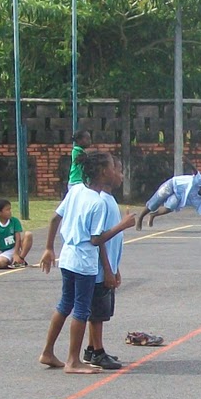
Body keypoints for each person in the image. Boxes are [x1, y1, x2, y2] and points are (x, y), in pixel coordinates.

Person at [40, 150, 138, 373]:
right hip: (84, 261)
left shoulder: (76, 191)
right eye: (113, 168)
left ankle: (48, 351)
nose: (115, 171)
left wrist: (48, 247)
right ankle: (73, 361)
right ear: (103, 172)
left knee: (65, 304)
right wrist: (122, 225)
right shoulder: (98, 202)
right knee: (82, 310)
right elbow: (96, 239)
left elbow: (56, 217)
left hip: (67, 257)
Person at [85, 154, 129, 370]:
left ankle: (92, 348)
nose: (120, 175)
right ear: (106, 173)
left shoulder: (110, 199)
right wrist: (108, 269)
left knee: (100, 311)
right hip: (101, 269)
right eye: (118, 170)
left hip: (109, 267)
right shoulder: (102, 200)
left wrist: (116, 267)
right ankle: (97, 352)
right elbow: (100, 238)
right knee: (97, 313)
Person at [136, 171, 201, 231]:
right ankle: (140, 218)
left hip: (178, 196)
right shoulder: (199, 181)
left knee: (170, 207)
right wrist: (187, 160)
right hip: (172, 184)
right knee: (155, 202)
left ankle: (153, 215)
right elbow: (195, 170)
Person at [0, 197, 32, 268]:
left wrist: (16, 253)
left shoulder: (14, 221)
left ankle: (20, 259)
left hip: (17, 248)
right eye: (7, 210)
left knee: (28, 234)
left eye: (10, 209)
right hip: (7, 251)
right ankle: (12, 262)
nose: (10, 211)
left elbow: (18, 238)